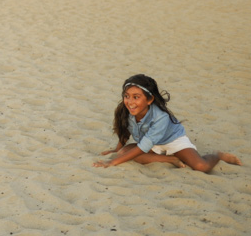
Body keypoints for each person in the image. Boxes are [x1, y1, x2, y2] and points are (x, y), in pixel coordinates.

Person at [94, 74, 241, 172]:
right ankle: (170, 160)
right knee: (123, 153)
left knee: (201, 166)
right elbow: (124, 131)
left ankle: (218, 156)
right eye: (126, 96)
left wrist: (111, 163)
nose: (130, 102)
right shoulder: (125, 110)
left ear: (150, 99)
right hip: (152, 145)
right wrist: (116, 150)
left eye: (136, 97)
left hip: (173, 141)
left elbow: (142, 147)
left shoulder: (161, 117)